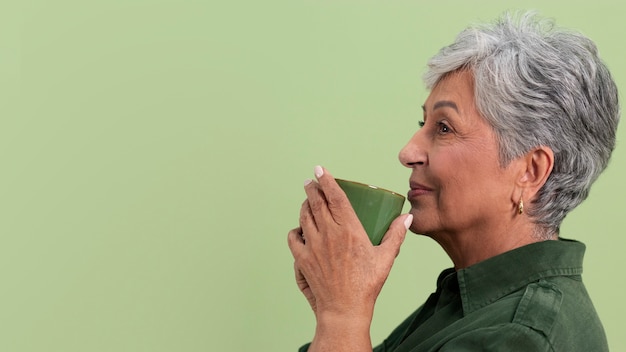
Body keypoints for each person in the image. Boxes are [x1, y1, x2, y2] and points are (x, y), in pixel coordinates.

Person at [287, 11, 619, 352]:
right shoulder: (464, 303)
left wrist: (342, 317)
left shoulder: (520, 336)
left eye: (444, 128)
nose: (408, 151)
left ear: (530, 171)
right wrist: (335, 298)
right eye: (423, 122)